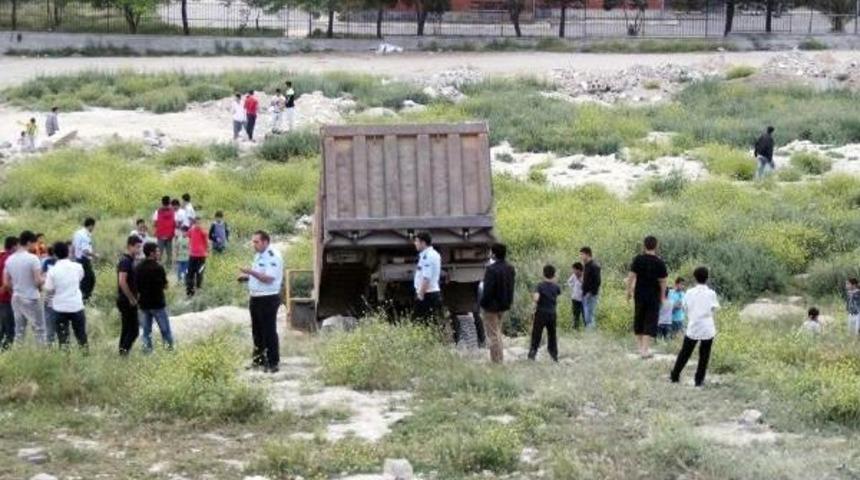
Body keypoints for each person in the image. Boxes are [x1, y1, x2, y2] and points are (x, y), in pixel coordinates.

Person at [239, 230, 284, 373]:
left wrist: (250, 272)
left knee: (269, 331)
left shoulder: (273, 256)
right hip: (256, 297)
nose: (254, 244)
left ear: (265, 242)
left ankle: (273, 362)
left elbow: (269, 278)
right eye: (253, 242)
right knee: (257, 331)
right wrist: (246, 277)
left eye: (256, 242)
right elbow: (259, 274)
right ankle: (258, 360)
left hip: (268, 298)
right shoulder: (258, 255)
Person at [670, 266, 719, 387]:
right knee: (704, 355)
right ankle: (699, 380)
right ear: (707, 278)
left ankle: (675, 375)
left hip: (693, 325)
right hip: (707, 327)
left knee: (685, 352)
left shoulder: (689, 292)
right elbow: (713, 308)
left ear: (695, 278)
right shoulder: (711, 293)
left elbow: (685, 307)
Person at [626, 236, 668, 359]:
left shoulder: (638, 259)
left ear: (644, 246)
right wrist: (662, 297)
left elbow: (631, 276)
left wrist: (628, 291)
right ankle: (645, 350)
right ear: (656, 246)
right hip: (653, 296)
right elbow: (663, 282)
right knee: (650, 321)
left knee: (639, 319)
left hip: (639, 294)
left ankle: (641, 348)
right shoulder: (660, 262)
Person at [2, 231, 46, 344]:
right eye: (34, 243)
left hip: (16, 298)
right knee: (39, 329)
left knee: (19, 331)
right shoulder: (33, 259)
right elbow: (37, 281)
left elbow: (6, 283)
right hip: (31, 297)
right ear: (28, 242)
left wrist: (16, 288)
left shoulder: (9, 260)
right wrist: (45, 278)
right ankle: (42, 356)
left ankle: (18, 354)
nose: (35, 246)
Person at [44, 242, 87, 350]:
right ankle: (85, 357)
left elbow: (49, 289)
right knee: (81, 336)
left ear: (54, 254)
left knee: (63, 339)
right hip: (76, 305)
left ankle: (66, 362)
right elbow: (80, 278)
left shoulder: (52, 271)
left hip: (60, 307)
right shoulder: (78, 267)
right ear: (68, 252)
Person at [480, 243, 516, 364]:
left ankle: (497, 361)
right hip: (503, 305)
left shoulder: (491, 269)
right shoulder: (510, 268)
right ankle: (500, 358)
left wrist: (483, 303)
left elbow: (488, 290)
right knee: (497, 332)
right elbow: (511, 287)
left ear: (493, 254)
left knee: (493, 334)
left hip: (491, 307)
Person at [135, 242, 174, 353]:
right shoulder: (158, 268)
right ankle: (169, 353)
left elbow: (136, 287)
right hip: (157, 304)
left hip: (144, 304)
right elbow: (165, 285)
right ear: (152, 253)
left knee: (146, 332)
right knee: (165, 331)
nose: (159, 252)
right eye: (157, 251)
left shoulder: (138, 267)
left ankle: (147, 354)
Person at [117, 235, 143, 355]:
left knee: (126, 328)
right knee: (134, 330)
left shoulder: (130, 261)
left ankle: (122, 352)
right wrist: (131, 298)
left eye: (140, 247)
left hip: (126, 300)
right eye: (137, 247)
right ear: (129, 246)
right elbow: (122, 281)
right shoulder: (126, 261)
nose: (139, 250)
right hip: (126, 300)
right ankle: (124, 353)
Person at [529, 264, 561, 362]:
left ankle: (532, 353)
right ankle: (554, 355)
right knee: (552, 334)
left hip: (541, 313)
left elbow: (536, 298)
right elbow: (557, 296)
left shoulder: (540, 286)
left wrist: (532, 309)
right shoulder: (556, 287)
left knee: (536, 334)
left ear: (543, 274)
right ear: (554, 275)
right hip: (552, 313)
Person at [413, 232, 442, 323]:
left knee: (421, 322)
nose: (415, 243)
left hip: (427, 294)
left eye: (417, 241)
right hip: (432, 293)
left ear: (423, 243)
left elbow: (426, 277)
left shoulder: (427, 256)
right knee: (432, 322)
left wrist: (420, 295)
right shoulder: (434, 254)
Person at [72, 217, 97, 303]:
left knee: (83, 280)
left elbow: (73, 247)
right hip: (84, 260)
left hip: (77, 259)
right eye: (93, 226)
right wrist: (95, 255)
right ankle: (85, 299)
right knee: (90, 280)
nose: (93, 229)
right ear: (90, 225)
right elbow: (85, 251)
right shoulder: (85, 235)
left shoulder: (77, 233)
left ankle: (83, 298)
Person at [0, 236, 18, 350]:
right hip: (7, 298)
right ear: (14, 246)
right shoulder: (10, 260)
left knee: (3, 327)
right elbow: (7, 282)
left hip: (2, 298)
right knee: (10, 329)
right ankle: (6, 353)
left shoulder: (1, 256)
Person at [186, 218, 209, 297]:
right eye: (196, 223)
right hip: (192, 255)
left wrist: (207, 251)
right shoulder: (191, 230)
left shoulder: (203, 231)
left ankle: (199, 290)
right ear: (194, 223)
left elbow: (207, 242)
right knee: (190, 274)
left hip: (201, 256)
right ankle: (190, 292)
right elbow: (188, 237)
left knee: (199, 273)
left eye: (199, 223)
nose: (198, 225)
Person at [580, 247, 601, 329]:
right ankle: (588, 333)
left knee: (590, 315)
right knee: (586, 315)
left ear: (587, 254)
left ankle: (590, 335)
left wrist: (591, 292)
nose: (580, 256)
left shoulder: (594, 266)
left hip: (591, 295)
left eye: (582, 254)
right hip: (585, 294)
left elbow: (597, 282)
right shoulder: (586, 265)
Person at [41, 246, 58, 345]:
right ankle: (50, 342)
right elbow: (42, 274)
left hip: (52, 295)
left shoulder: (48, 262)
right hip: (51, 294)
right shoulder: (48, 262)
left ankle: (50, 342)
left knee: (51, 319)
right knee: (50, 320)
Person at [153, 195, 176, 266]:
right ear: (169, 202)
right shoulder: (172, 211)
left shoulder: (157, 211)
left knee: (159, 252)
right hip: (170, 235)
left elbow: (155, 223)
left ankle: (158, 266)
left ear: (162, 202)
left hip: (160, 235)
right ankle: (168, 267)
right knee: (169, 253)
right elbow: (175, 222)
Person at [567, 262, 584, 330]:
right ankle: (575, 329)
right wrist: (573, 286)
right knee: (575, 315)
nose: (573, 271)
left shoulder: (585, 275)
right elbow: (569, 282)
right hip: (575, 298)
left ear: (579, 270)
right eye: (573, 269)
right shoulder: (574, 275)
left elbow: (587, 285)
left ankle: (587, 330)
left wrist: (580, 280)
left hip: (583, 299)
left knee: (585, 315)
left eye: (574, 269)